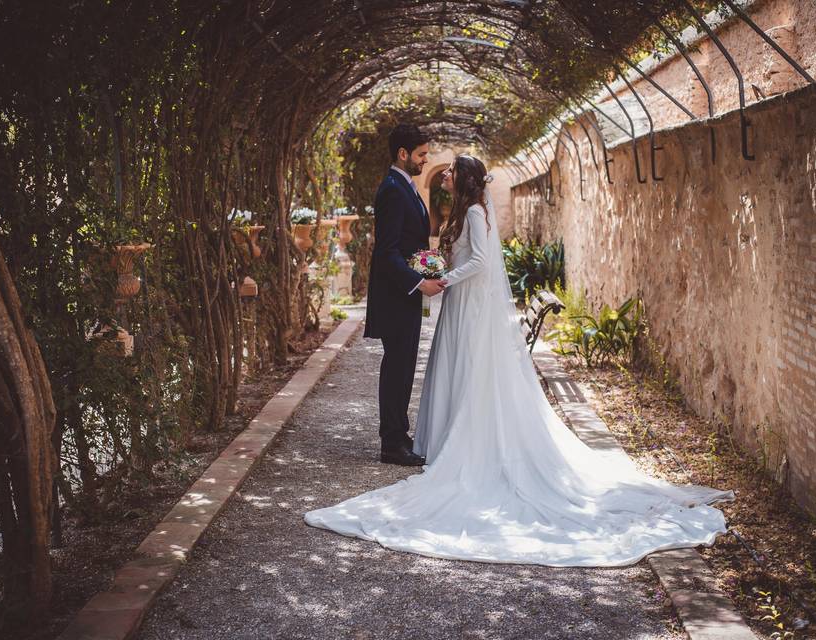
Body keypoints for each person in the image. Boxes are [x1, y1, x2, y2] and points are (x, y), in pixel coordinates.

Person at [306, 154, 733, 567]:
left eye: (452, 171)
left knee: (468, 367)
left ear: (465, 178)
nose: (446, 175)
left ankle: (463, 441)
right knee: (454, 364)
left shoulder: (474, 211)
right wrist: (435, 268)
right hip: (461, 301)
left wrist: (445, 278)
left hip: (470, 303)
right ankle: (445, 437)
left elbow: (479, 261)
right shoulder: (465, 209)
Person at [363, 124, 444, 466]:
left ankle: (399, 432)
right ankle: (391, 443)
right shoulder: (393, 190)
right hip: (397, 296)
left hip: (406, 295)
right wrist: (417, 282)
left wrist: (427, 268)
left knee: (404, 365)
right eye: (422, 154)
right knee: (397, 367)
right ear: (403, 154)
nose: (426, 161)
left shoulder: (404, 185)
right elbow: (388, 252)